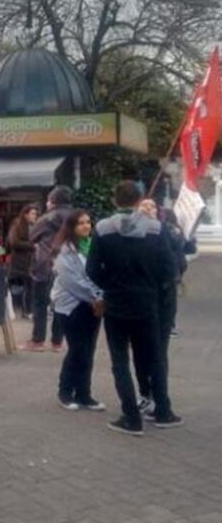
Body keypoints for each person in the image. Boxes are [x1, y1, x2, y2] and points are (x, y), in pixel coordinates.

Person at [86, 181, 183, 436]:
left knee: (120, 361)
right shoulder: (156, 229)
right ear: (140, 199)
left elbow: (92, 270)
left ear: (114, 199)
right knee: (154, 358)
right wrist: (153, 287)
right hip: (148, 305)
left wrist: (111, 287)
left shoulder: (103, 229)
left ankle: (131, 418)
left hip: (116, 305)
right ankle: (163, 412)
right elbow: (169, 270)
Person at [133, 200, 185, 418]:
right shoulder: (132, 235)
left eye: (151, 207)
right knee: (140, 350)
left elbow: (180, 262)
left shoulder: (168, 232)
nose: (148, 210)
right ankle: (146, 394)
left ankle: (159, 400)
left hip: (161, 301)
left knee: (157, 351)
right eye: (143, 207)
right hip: (140, 301)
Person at [51, 210, 106, 412]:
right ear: (71, 227)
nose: (85, 226)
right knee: (77, 350)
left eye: (88, 222)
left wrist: (100, 297)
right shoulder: (65, 251)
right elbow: (73, 281)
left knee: (88, 351)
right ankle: (65, 392)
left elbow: (99, 274)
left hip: (93, 305)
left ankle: (84, 394)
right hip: (70, 307)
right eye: (80, 223)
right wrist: (96, 298)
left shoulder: (92, 247)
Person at [26, 186, 73, 352]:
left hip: (46, 265)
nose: (46, 203)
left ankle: (38, 341)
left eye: (48, 199)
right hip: (68, 265)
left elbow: (32, 236)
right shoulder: (76, 217)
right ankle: (57, 342)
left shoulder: (48, 218)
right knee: (60, 303)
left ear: (53, 201)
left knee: (40, 303)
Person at [7, 204, 39, 320]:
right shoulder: (17, 225)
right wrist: (32, 246)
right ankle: (13, 308)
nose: (35, 216)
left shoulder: (35, 226)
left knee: (30, 286)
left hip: (30, 262)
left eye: (35, 214)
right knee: (12, 284)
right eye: (32, 213)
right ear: (25, 214)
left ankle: (28, 311)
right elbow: (13, 242)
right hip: (18, 261)